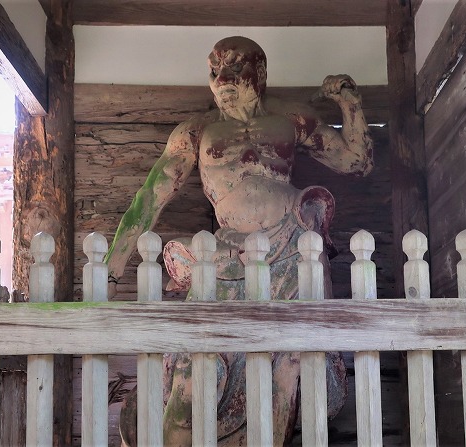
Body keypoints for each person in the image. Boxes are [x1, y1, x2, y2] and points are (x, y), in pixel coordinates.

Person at [108, 36, 373, 446]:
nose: (222, 78)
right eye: (214, 70)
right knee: (199, 358)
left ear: (260, 73)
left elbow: (356, 162)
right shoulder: (196, 131)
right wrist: (111, 268)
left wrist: (349, 103)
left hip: (293, 246)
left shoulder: (292, 119)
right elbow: (151, 196)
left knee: (290, 358)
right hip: (226, 255)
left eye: (234, 67)